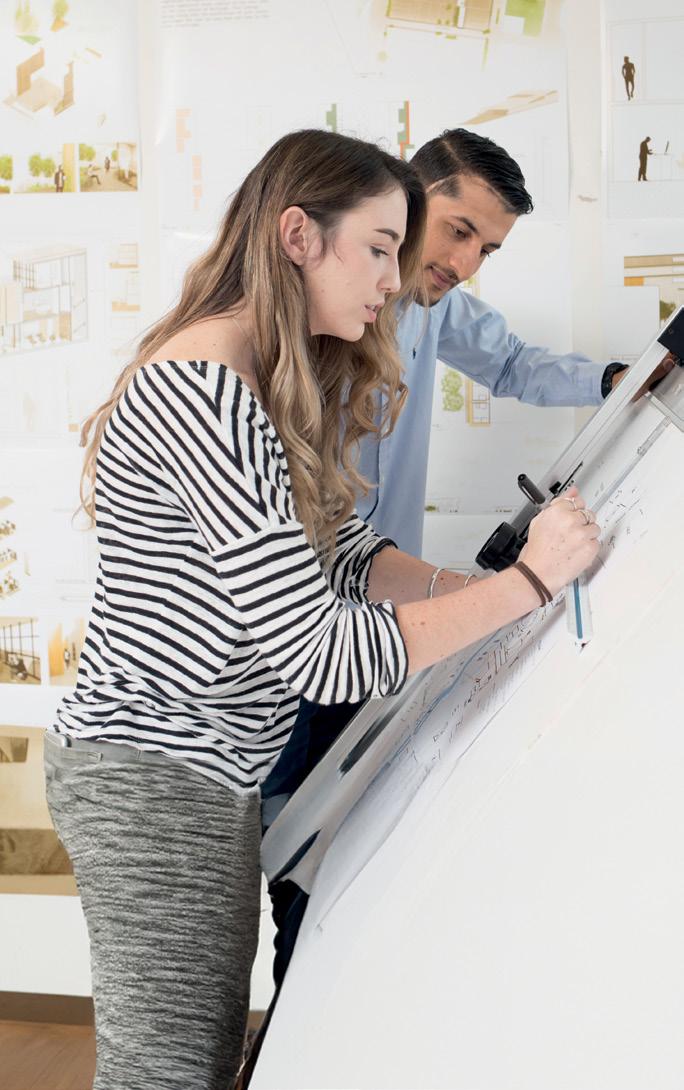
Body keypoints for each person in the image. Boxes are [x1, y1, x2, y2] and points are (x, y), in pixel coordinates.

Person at [43, 128, 599, 1090]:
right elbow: (322, 656)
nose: (396, 278)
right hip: (156, 778)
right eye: (380, 248)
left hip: (202, 771)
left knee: (202, 1064)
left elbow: (343, 550)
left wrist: (472, 591)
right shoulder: (205, 395)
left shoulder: (261, 380)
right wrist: (528, 586)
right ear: (299, 236)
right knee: (167, 1076)